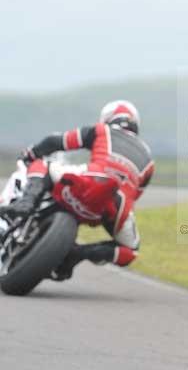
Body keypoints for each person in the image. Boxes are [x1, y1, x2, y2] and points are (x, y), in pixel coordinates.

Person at [0, 100, 154, 279]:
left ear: (108, 118)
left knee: (41, 164)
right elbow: (135, 195)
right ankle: (79, 254)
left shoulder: (101, 130)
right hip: (117, 203)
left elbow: (56, 141)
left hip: (90, 180)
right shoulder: (149, 160)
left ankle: (26, 203)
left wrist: (32, 153)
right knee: (131, 251)